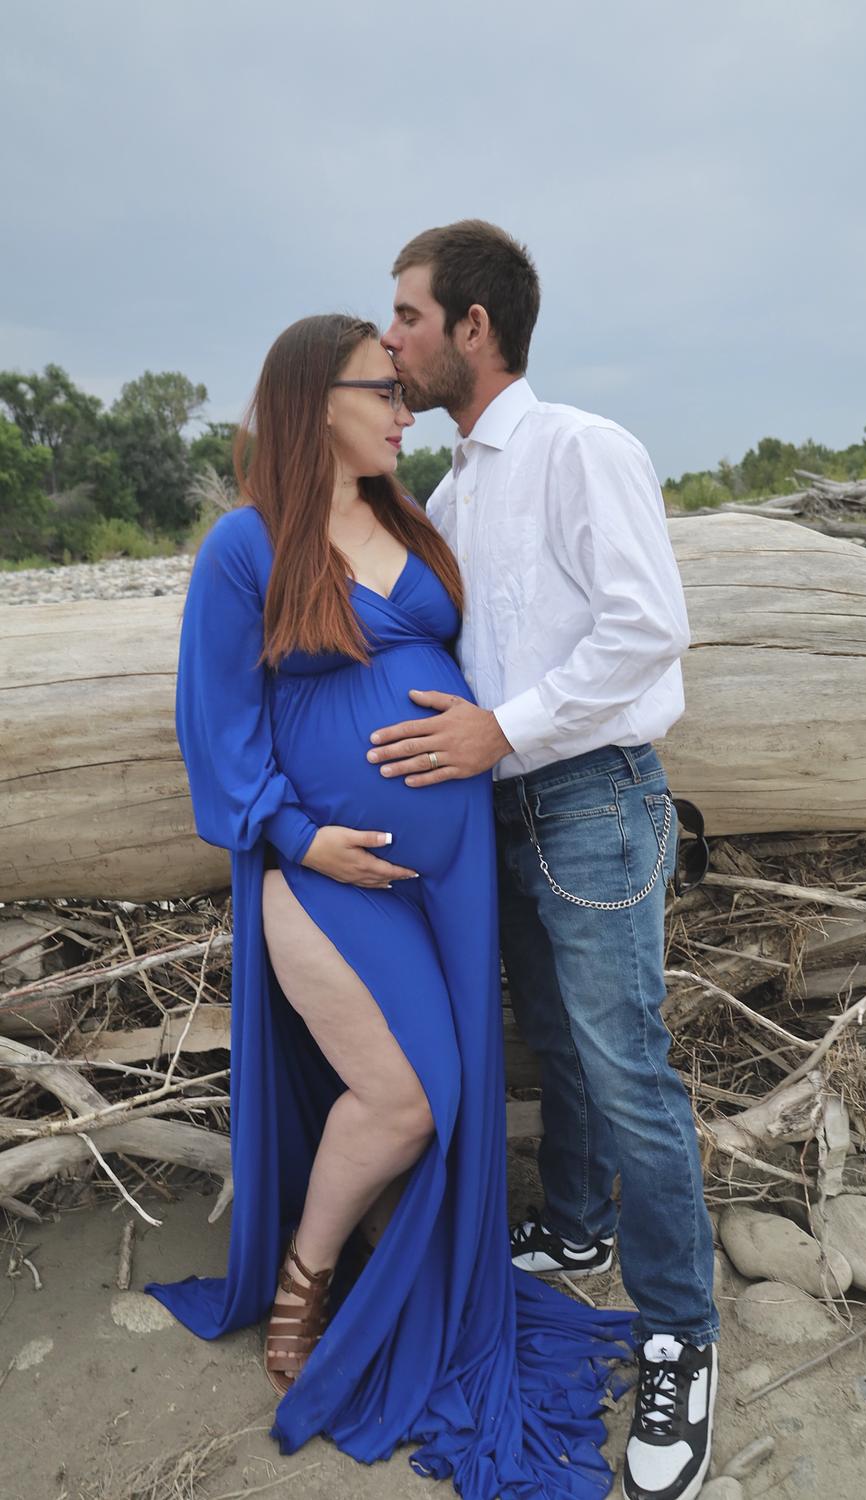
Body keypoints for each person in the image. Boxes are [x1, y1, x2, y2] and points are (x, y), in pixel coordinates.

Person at [147, 313, 639, 1499]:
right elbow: (215, 726)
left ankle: (394, 1266)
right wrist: (300, 835)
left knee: (450, 1094)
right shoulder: (245, 546)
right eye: (384, 389)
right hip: (323, 871)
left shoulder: (413, 522)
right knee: (408, 1096)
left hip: (450, 874)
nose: (404, 409)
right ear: (316, 397)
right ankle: (304, 1278)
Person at [371, 222, 719, 1500]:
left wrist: (501, 731)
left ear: (474, 327)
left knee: (627, 1066)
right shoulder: (453, 492)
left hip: (591, 795)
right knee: (559, 1048)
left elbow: (648, 629)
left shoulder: (582, 448)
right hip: (502, 812)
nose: (391, 339)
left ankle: (681, 1333)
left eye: (408, 315)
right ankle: (576, 1232)